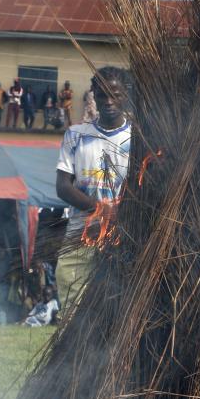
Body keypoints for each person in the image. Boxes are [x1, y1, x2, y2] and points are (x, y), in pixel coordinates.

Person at [55, 67, 133, 312]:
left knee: (116, 305)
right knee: (71, 300)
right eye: (102, 95)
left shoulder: (137, 138)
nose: (108, 101)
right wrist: (101, 209)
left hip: (123, 237)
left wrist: (119, 214)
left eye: (115, 95)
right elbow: (63, 187)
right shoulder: (76, 135)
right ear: (94, 97)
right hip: (80, 234)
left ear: (125, 95)